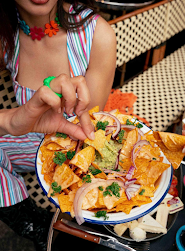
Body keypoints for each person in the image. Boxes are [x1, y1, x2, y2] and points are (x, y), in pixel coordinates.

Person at [0, 0, 116, 250]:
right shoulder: (5, 32)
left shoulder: (97, 34)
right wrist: (11, 119)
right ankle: (36, 225)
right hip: (28, 141)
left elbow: (89, 131)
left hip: (75, 148)